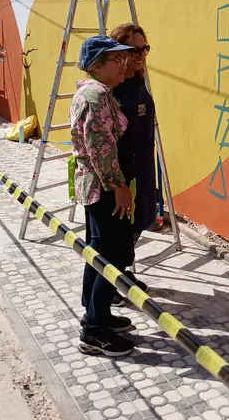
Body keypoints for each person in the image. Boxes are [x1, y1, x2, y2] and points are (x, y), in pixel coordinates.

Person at [70, 35, 137, 357]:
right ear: (97, 66)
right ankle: (95, 331)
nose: (124, 64)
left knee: (99, 250)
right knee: (115, 253)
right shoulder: (95, 96)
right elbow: (100, 147)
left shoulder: (97, 92)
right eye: (116, 60)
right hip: (103, 187)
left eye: (125, 58)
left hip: (96, 185)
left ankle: (96, 312)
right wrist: (119, 187)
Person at [109, 23, 158, 304]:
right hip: (122, 172)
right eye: (134, 50)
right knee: (118, 227)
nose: (140, 55)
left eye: (144, 49)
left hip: (143, 166)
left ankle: (123, 269)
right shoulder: (111, 90)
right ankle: (108, 283)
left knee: (142, 217)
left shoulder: (139, 81)